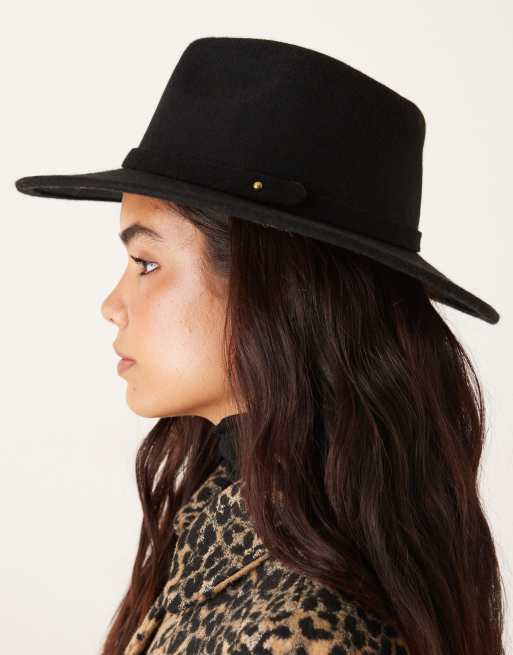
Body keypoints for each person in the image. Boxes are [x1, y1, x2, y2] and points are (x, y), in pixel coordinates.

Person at [15, 36, 504, 655]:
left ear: (270, 288)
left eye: (146, 263)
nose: (112, 305)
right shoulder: (224, 543)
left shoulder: (303, 629)